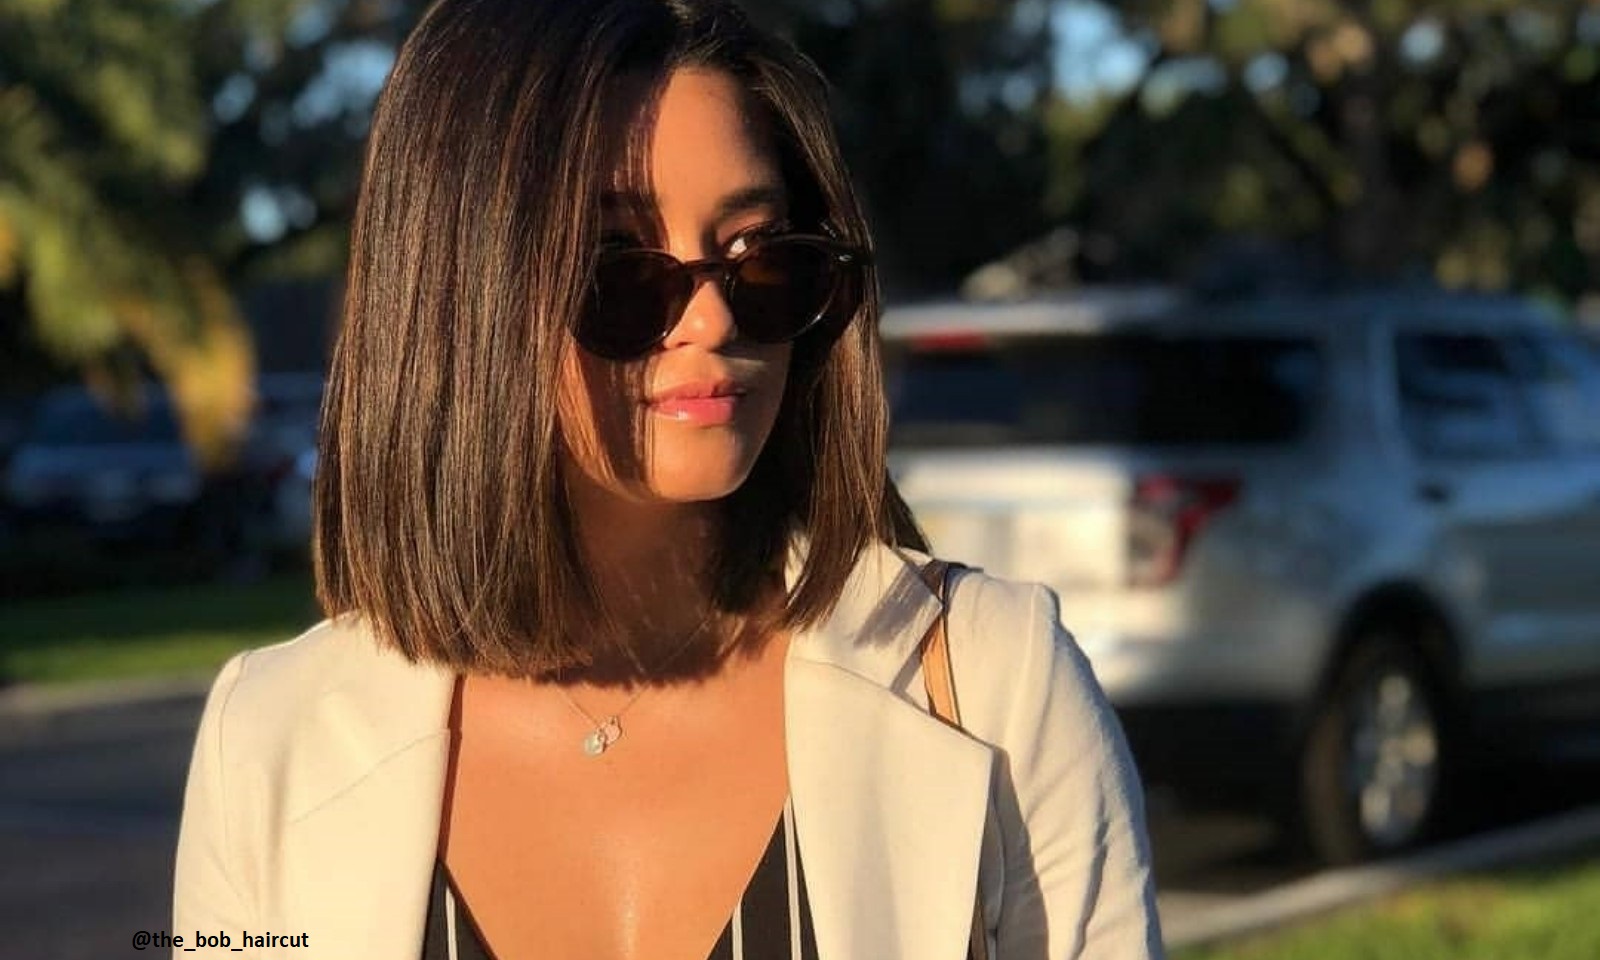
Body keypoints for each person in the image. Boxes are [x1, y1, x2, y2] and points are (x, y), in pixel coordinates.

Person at [171, 0, 1164, 957]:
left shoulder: (993, 684)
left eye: (759, 258)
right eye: (619, 268)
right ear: (457, 298)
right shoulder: (271, 740)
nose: (714, 320)